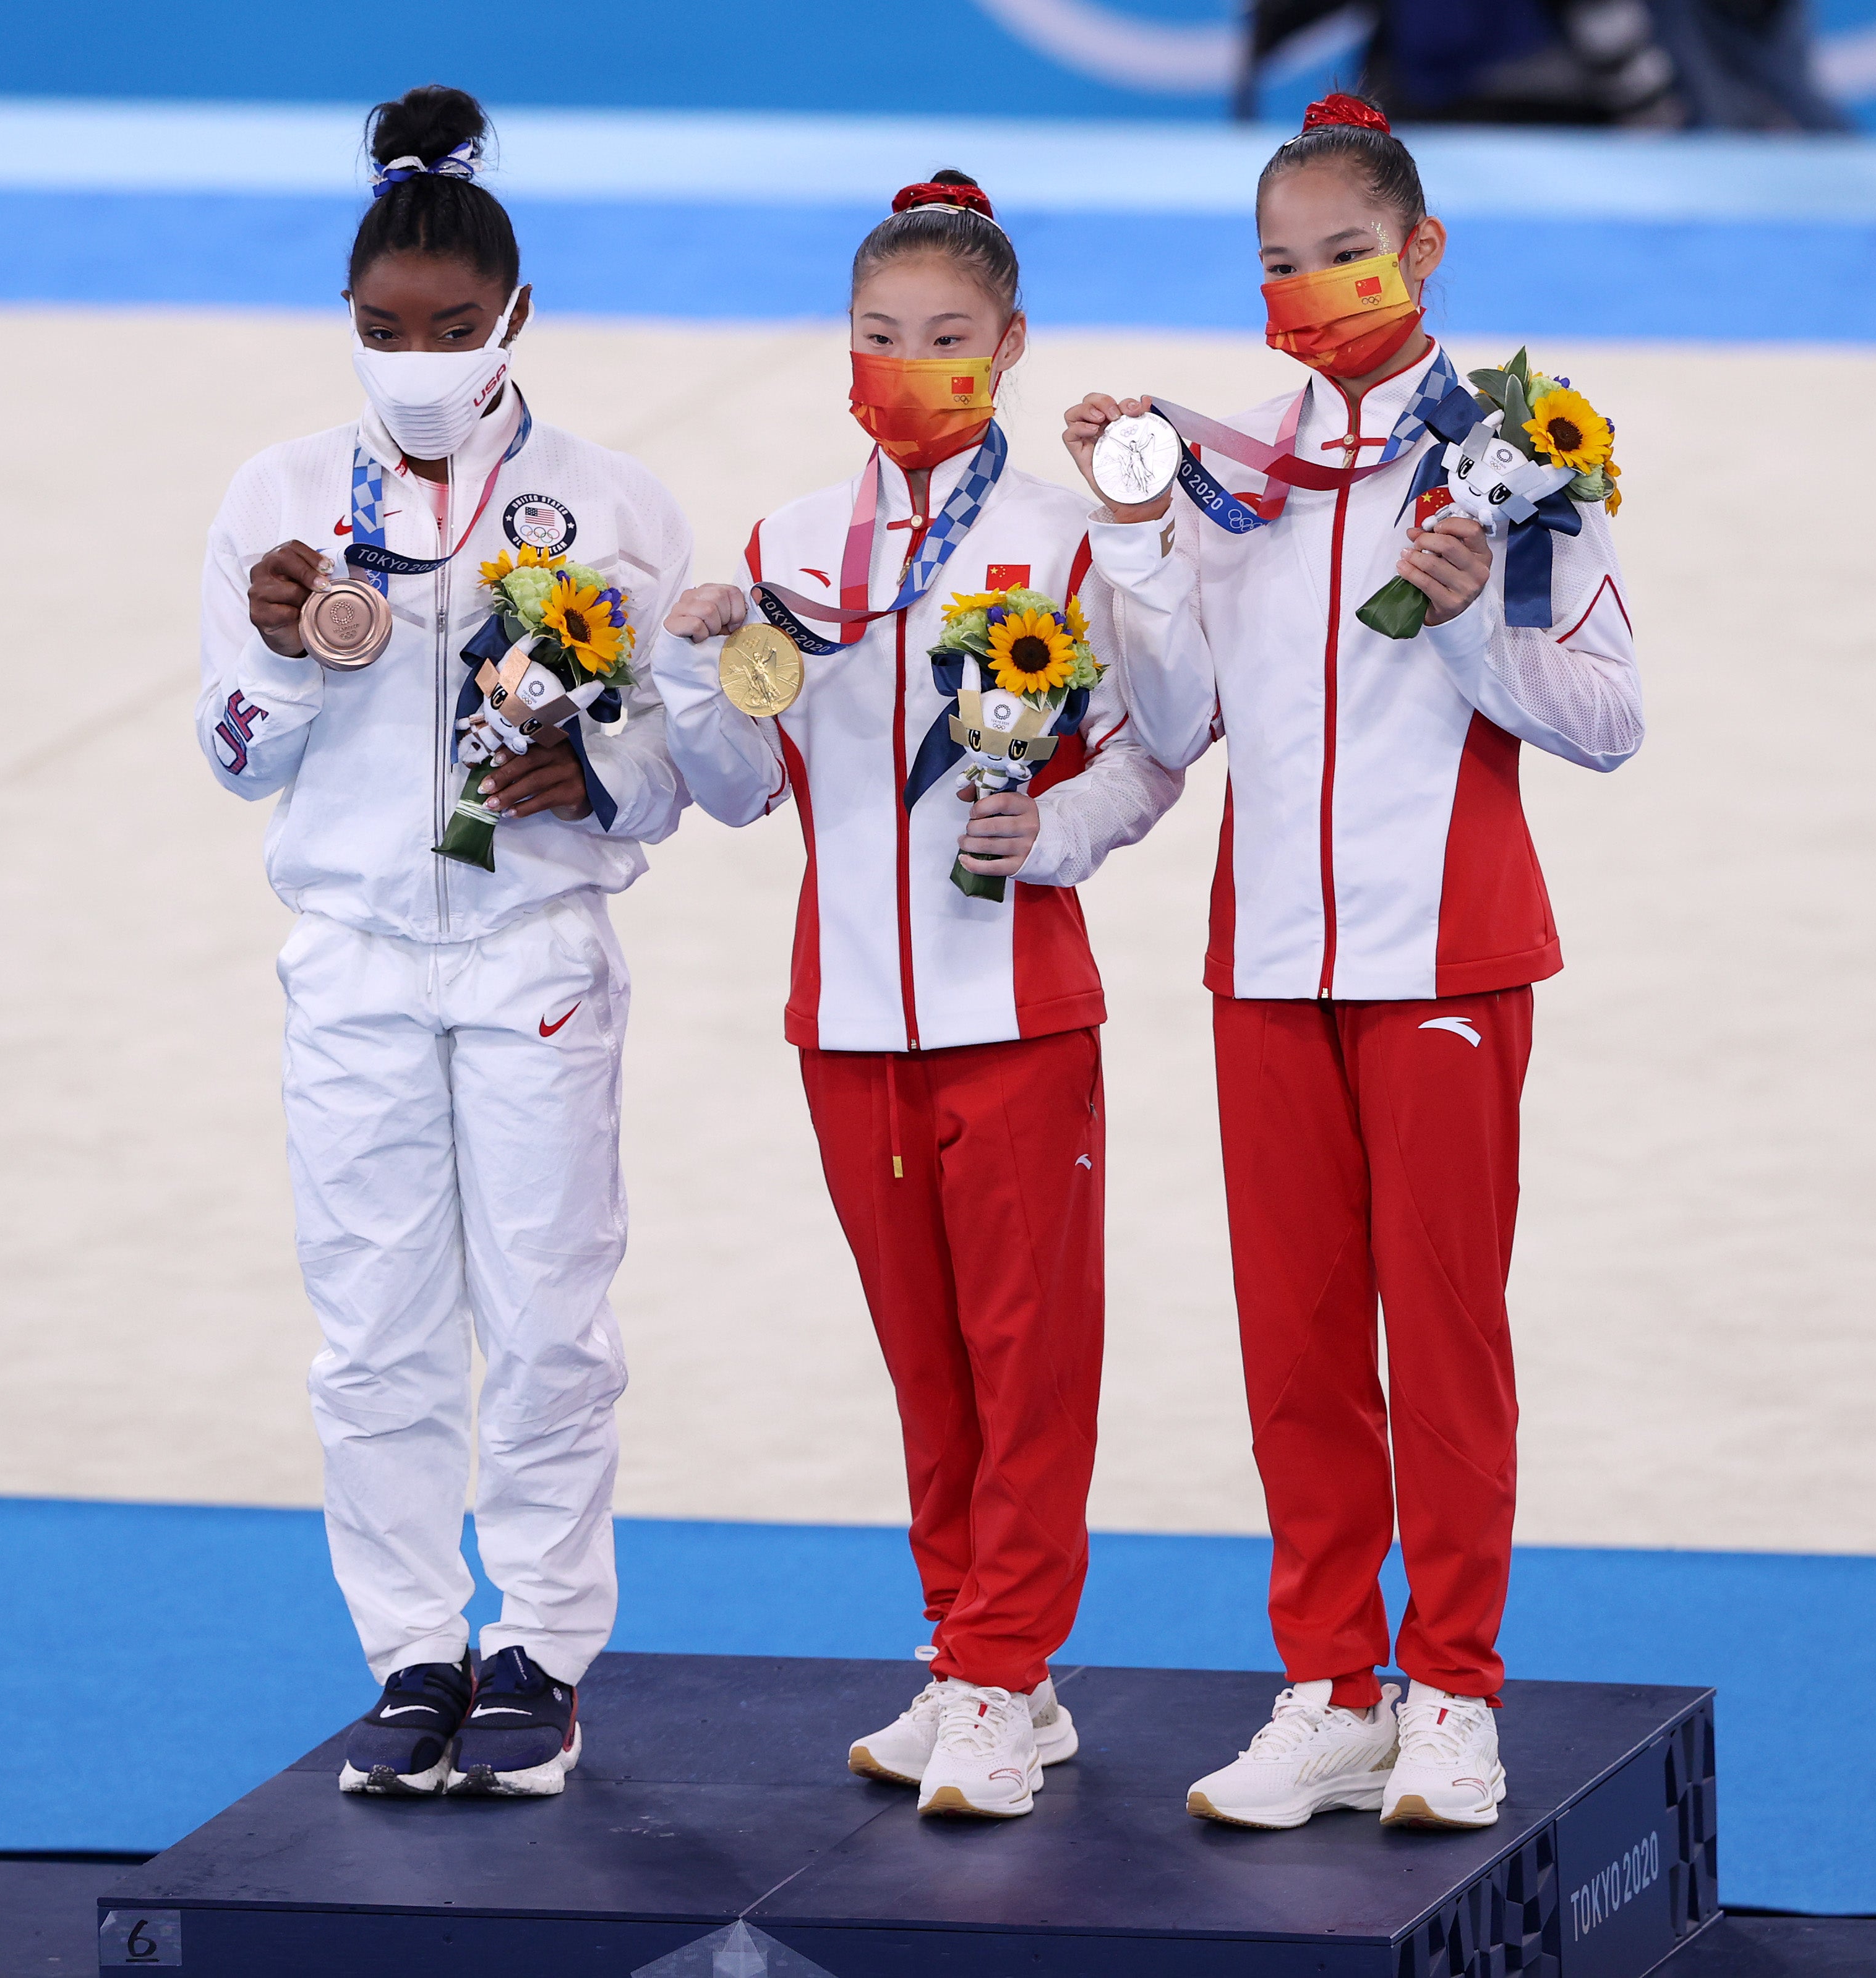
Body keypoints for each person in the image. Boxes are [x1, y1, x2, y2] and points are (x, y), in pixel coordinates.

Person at [1063, 93, 1642, 1832]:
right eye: (1279, 264)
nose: (1311, 288)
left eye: (1344, 254)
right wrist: (1133, 543)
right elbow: (1172, 729)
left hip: (1447, 956)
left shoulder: (1524, 460)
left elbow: (1609, 721)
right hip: (1269, 963)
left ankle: (1453, 1694)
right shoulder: (1230, 472)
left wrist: (1470, 616)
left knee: (1442, 1337)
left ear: (1423, 251)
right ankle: (1331, 1686)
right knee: (1296, 1344)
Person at [654, 173, 1183, 1822]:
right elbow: (743, 791)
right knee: (926, 1365)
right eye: (879, 338)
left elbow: (1157, 751)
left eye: (946, 339)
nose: (907, 365)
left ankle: (1000, 1667)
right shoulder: (788, 544)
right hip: (850, 1020)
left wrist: (1059, 835)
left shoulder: (1060, 537)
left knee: (1029, 1363)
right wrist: (695, 663)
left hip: (1015, 1009)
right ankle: (974, 1657)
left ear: (1011, 346)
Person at [195, 83, 690, 1801]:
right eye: (383, 328)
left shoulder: (612, 508)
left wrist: (598, 774)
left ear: (516, 322)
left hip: (534, 951)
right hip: (348, 964)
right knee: (375, 1332)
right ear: (348, 325)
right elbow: (233, 760)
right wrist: (277, 658)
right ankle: (407, 1647)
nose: (416, 356)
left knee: (552, 1325)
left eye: (452, 329)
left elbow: (675, 772)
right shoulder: (273, 498)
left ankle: (539, 1649)